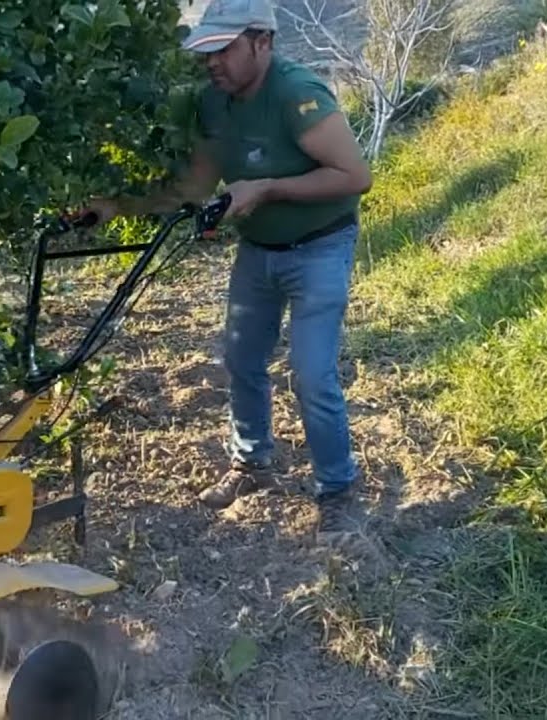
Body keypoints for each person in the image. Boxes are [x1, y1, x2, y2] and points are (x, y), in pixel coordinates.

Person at [82, 0, 371, 538]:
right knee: (240, 358)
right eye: (205, 51)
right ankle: (251, 464)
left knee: (311, 373)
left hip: (320, 246)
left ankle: (337, 489)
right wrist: (114, 206)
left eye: (223, 49)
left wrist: (266, 188)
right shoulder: (214, 102)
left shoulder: (296, 93)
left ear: (262, 41)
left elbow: (355, 176)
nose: (211, 62)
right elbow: (192, 189)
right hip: (258, 248)